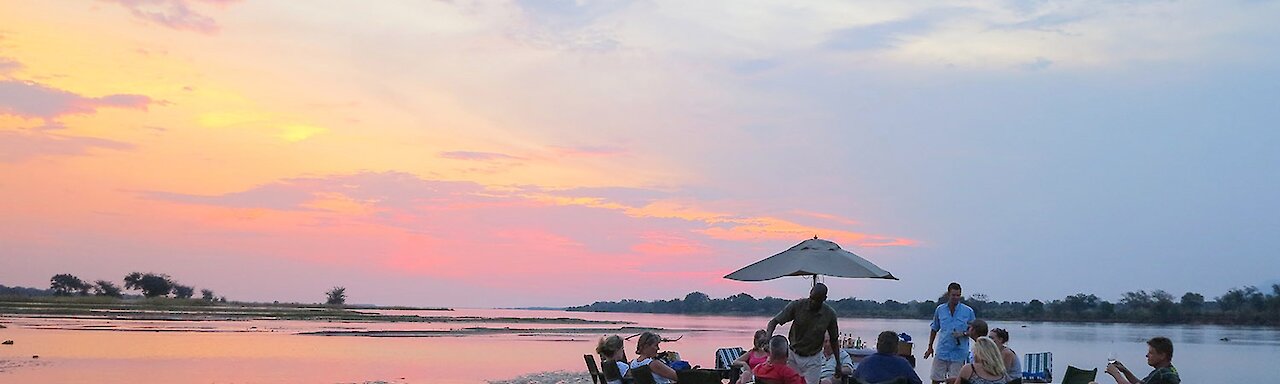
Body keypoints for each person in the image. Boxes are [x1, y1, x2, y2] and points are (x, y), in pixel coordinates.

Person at [767, 283, 841, 384]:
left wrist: (838, 363)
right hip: (793, 355)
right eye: (811, 298)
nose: (813, 302)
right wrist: (768, 339)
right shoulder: (797, 306)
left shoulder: (830, 314)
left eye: (817, 300)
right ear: (810, 294)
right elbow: (773, 322)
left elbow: (834, 340)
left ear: (824, 298)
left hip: (813, 359)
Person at [925, 282, 976, 384]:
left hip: (959, 353)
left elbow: (975, 331)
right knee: (935, 379)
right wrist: (930, 346)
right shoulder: (940, 310)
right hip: (942, 351)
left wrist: (964, 334)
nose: (956, 298)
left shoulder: (968, 311)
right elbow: (934, 328)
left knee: (955, 381)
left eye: (958, 295)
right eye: (953, 295)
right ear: (948, 295)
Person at [853, 331, 923, 384]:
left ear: (877, 346)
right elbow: (917, 382)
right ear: (896, 347)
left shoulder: (865, 362)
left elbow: (855, 379)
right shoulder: (903, 364)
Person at [1102, 337, 1179, 384]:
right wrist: (1125, 371)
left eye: (1151, 353)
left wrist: (1115, 374)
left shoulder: (1161, 373)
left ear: (1162, 355)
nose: (1147, 355)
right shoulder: (1170, 370)